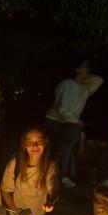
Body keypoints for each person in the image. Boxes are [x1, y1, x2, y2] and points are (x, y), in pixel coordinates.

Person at [44, 58, 103, 188]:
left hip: (71, 122)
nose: (88, 69)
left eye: (88, 67)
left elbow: (99, 80)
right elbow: (61, 109)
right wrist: (76, 121)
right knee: (51, 148)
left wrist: (85, 76)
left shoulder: (86, 89)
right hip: (55, 120)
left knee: (67, 147)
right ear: (77, 69)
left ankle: (62, 176)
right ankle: (47, 175)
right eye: (85, 66)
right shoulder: (66, 84)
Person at [1, 126, 59, 215]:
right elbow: (5, 191)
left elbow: (54, 188)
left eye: (39, 141)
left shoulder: (50, 166)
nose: (35, 146)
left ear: (45, 143)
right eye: (29, 143)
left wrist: (51, 201)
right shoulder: (15, 164)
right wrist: (17, 214)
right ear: (24, 145)